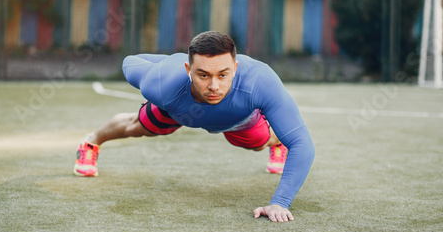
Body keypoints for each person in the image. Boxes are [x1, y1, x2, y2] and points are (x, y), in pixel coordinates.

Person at [74, 31, 315, 222]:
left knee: (260, 142)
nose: (213, 86)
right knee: (137, 126)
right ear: (188, 70)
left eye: (223, 75)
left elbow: (302, 144)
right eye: (203, 75)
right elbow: (131, 62)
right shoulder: (163, 83)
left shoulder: (260, 81)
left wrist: (280, 202)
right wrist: (170, 62)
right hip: (181, 110)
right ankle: (91, 142)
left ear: (236, 68)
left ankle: (277, 143)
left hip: (238, 118)